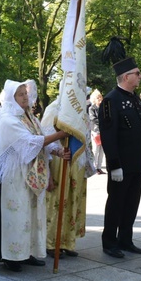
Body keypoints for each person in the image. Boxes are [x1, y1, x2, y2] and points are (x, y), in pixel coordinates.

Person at [0, 79, 68, 271]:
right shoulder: (6, 119)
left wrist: (58, 151)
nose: (25, 97)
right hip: (14, 176)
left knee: (31, 215)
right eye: (20, 94)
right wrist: (60, 135)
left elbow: (41, 135)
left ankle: (26, 252)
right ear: (11, 98)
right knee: (17, 216)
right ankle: (11, 257)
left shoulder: (29, 116)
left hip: (30, 173)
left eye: (25, 93)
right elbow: (30, 142)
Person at [99, 52, 141, 258]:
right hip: (121, 164)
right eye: (137, 73)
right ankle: (110, 242)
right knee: (116, 204)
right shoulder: (111, 100)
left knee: (132, 203)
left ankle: (125, 240)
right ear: (126, 76)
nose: (140, 77)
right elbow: (108, 136)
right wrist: (114, 164)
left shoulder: (135, 100)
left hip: (136, 162)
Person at [41, 99, 81, 258]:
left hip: (73, 158)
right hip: (58, 157)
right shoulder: (54, 108)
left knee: (71, 200)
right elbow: (45, 132)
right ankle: (51, 243)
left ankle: (67, 241)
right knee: (56, 202)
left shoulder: (78, 108)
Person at [88, 89, 105, 173]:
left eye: (100, 97)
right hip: (96, 130)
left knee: (102, 149)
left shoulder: (103, 108)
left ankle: (99, 166)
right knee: (96, 149)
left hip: (103, 130)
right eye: (98, 98)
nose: (100, 99)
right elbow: (93, 119)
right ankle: (94, 166)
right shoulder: (91, 108)